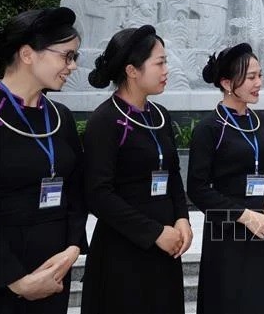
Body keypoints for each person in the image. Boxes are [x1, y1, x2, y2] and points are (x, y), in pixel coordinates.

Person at [80, 25, 191, 314]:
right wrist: (154, 233)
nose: (167, 69)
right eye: (160, 62)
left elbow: (173, 175)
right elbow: (98, 194)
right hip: (123, 252)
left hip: (166, 247)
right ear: (132, 70)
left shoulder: (160, 116)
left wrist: (182, 219)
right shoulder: (105, 120)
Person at [0, 7, 87, 313]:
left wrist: (73, 248)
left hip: (55, 274)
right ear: (27, 54)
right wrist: (15, 280)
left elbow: (77, 189)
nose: (72, 66)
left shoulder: (60, 116)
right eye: (67, 55)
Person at [187, 43, 264, 314]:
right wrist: (244, 216)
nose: (258, 83)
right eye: (251, 77)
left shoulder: (262, 122)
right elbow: (198, 189)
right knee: (228, 300)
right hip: (227, 231)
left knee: (261, 300)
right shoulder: (208, 129)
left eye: (259, 75)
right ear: (227, 83)